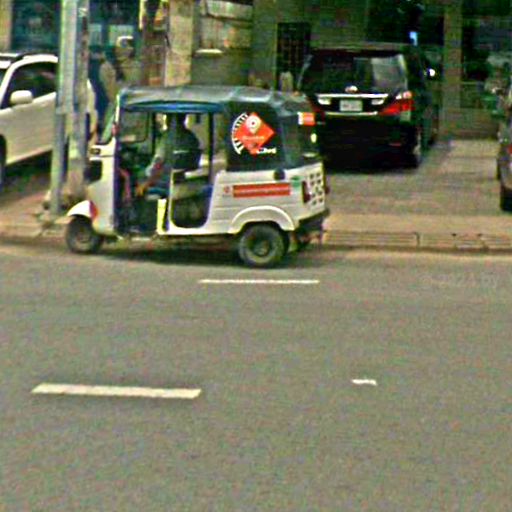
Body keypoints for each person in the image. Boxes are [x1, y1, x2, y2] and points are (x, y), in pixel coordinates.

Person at [135, 114, 201, 197]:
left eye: (168, 117)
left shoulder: (167, 137)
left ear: (170, 120)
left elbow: (158, 163)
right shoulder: (191, 136)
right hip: (180, 175)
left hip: (161, 178)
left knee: (136, 175)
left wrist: (146, 183)